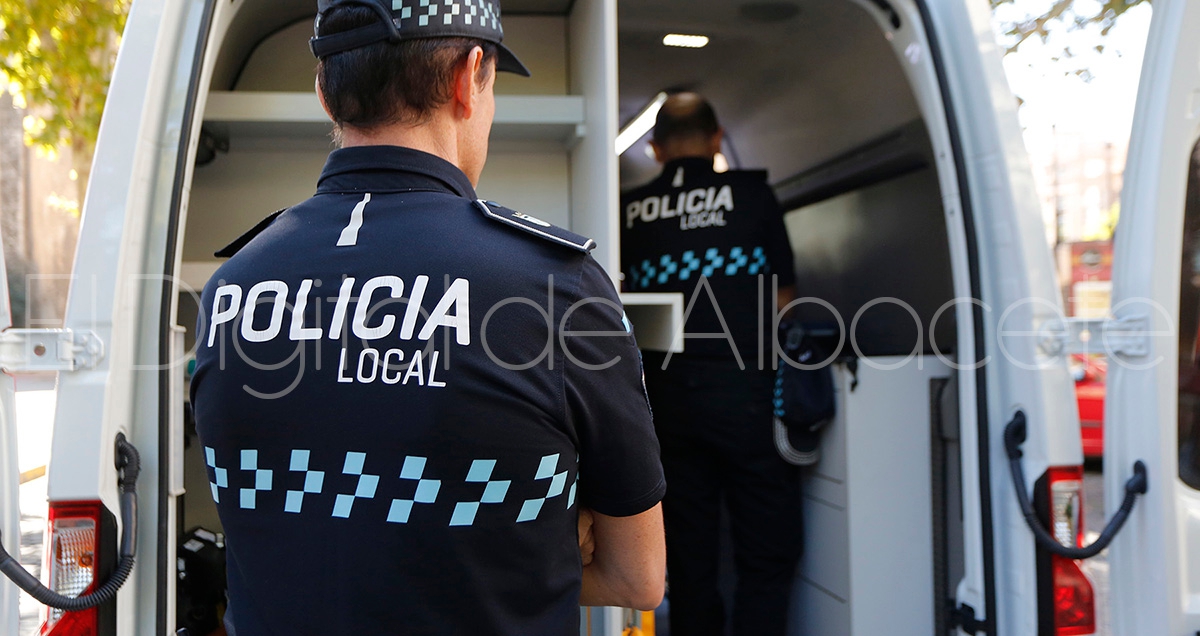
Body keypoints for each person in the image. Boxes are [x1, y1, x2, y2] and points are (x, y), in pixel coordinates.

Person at [189, 1, 666, 633]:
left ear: (326, 95)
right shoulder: (558, 288)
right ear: (469, 78)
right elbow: (639, 577)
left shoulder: (232, 285)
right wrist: (532, 545)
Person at [620, 92, 802, 636]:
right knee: (767, 550)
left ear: (654, 150)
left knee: (690, 555)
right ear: (718, 140)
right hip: (746, 391)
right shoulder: (753, 196)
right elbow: (786, 302)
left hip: (666, 401)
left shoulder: (631, 210)